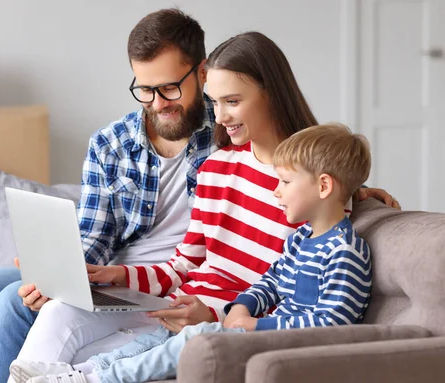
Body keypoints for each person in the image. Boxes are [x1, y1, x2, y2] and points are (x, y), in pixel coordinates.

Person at [0, 9, 395, 383]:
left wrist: (360, 190)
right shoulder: (215, 165)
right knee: (53, 311)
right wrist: (111, 273)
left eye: (230, 102)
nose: (220, 117)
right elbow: (184, 266)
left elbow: (290, 281)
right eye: (216, 105)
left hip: (203, 321)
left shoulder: (304, 188)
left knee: (79, 354)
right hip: (167, 301)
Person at [23, 122, 373, 383]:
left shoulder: (345, 252)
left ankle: (95, 378)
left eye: (284, 182)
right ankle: (89, 371)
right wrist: (242, 307)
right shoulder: (302, 239)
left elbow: (330, 324)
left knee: (192, 336)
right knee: (158, 335)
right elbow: (271, 282)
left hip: (284, 343)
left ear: (324, 186)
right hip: (254, 328)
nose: (276, 192)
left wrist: (255, 324)